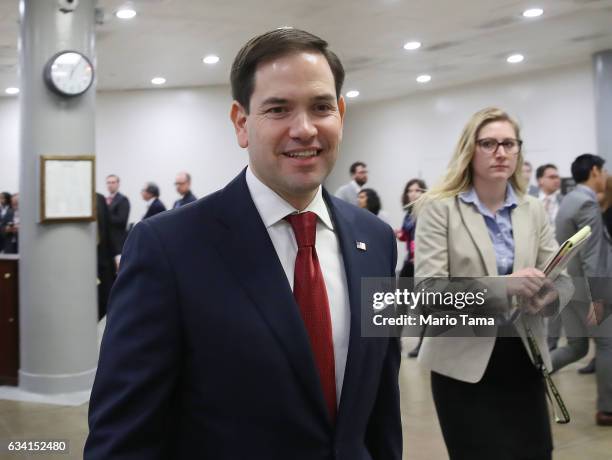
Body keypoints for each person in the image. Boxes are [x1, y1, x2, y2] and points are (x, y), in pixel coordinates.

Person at [85, 28, 401, 460]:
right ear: (241, 122)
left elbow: (381, 405)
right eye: (278, 109)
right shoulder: (168, 248)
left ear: (341, 115)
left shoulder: (376, 239)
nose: (305, 129)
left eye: (321, 107)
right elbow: (122, 438)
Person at [415, 107, 572, 459]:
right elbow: (429, 293)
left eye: (508, 143)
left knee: (535, 452)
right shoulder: (440, 209)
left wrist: (546, 297)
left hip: (525, 357)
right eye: (488, 144)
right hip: (462, 366)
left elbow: (559, 279)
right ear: (470, 150)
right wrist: (506, 287)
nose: (500, 152)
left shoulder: (532, 209)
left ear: (518, 150)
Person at [552, 153, 612, 427]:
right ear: (595, 171)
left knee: (576, 347)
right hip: (588, 290)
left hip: (569, 287)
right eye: (604, 171)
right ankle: (607, 410)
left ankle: (526, 375)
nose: (605, 177)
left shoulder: (569, 199)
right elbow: (592, 254)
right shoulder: (587, 202)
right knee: (607, 344)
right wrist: (598, 297)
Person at [396, 179, 426, 358]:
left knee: (424, 307)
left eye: (417, 190)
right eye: (410, 191)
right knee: (401, 304)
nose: (413, 194)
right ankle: (395, 340)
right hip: (410, 264)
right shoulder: (408, 213)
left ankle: (422, 344)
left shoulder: (428, 212)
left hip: (423, 265)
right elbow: (407, 236)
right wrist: (399, 234)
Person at [535, 164, 563, 350]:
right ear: (540, 180)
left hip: (560, 260)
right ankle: (541, 345)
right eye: (551, 176)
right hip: (536, 263)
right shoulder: (530, 203)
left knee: (556, 305)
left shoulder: (565, 201)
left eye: (557, 176)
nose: (557, 179)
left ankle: (551, 345)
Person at [105, 174, 130, 256]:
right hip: (107, 239)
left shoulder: (123, 199)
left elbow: (121, 220)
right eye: (108, 183)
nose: (110, 185)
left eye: (113, 182)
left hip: (117, 240)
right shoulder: (105, 199)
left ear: (118, 184)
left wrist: (104, 216)